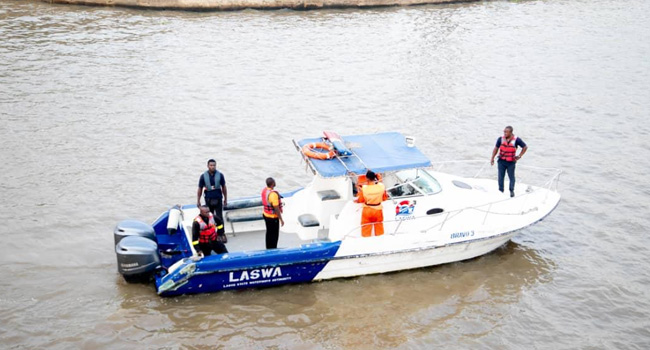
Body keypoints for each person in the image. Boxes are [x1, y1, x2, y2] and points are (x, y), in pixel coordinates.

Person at [490, 126, 528, 197]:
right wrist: (492, 158)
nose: (504, 133)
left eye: (506, 132)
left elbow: (525, 147)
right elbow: (496, 148)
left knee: (511, 177)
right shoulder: (500, 139)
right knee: (500, 176)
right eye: (504, 132)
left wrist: (519, 156)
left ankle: (511, 190)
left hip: (511, 162)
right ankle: (500, 191)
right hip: (501, 161)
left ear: (511, 132)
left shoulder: (517, 140)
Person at [356, 170, 388, 237]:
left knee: (366, 229)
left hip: (367, 210)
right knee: (379, 229)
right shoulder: (381, 186)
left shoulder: (364, 189)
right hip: (378, 209)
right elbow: (384, 198)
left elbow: (360, 200)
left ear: (367, 178)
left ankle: (367, 244)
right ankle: (380, 243)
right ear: (375, 177)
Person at [197, 159, 227, 223]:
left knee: (219, 217)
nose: (213, 167)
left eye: (214, 165)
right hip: (208, 199)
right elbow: (200, 188)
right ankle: (212, 232)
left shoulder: (220, 175)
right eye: (211, 165)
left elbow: (224, 187)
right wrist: (198, 200)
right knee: (209, 217)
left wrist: (225, 199)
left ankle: (221, 232)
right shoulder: (203, 176)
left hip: (218, 199)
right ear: (207, 166)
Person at [261, 177, 284, 249]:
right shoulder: (273, 195)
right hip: (272, 218)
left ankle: (268, 248)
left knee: (269, 233)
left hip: (265, 215)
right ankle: (273, 249)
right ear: (273, 184)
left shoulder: (264, 190)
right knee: (274, 235)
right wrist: (281, 219)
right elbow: (276, 208)